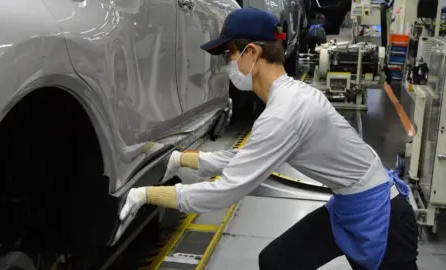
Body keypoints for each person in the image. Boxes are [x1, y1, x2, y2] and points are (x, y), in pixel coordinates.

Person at [119, 8, 418, 270]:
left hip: (382, 218)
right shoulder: (287, 99)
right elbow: (246, 159)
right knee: (278, 260)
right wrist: (179, 159)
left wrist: (146, 195)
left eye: (228, 55)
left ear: (251, 53)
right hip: (349, 206)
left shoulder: (283, 113)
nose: (226, 64)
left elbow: (226, 191)